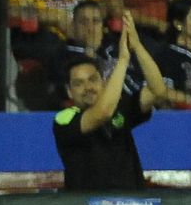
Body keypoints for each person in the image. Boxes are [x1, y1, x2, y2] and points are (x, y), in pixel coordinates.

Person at [54, 20, 168, 191]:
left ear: (103, 81)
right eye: (79, 83)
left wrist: (136, 47)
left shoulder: (120, 107)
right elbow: (103, 113)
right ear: (69, 92)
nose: (88, 88)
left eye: (93, 80)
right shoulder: (64, 119)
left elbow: (158, 91)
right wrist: (122, 60)